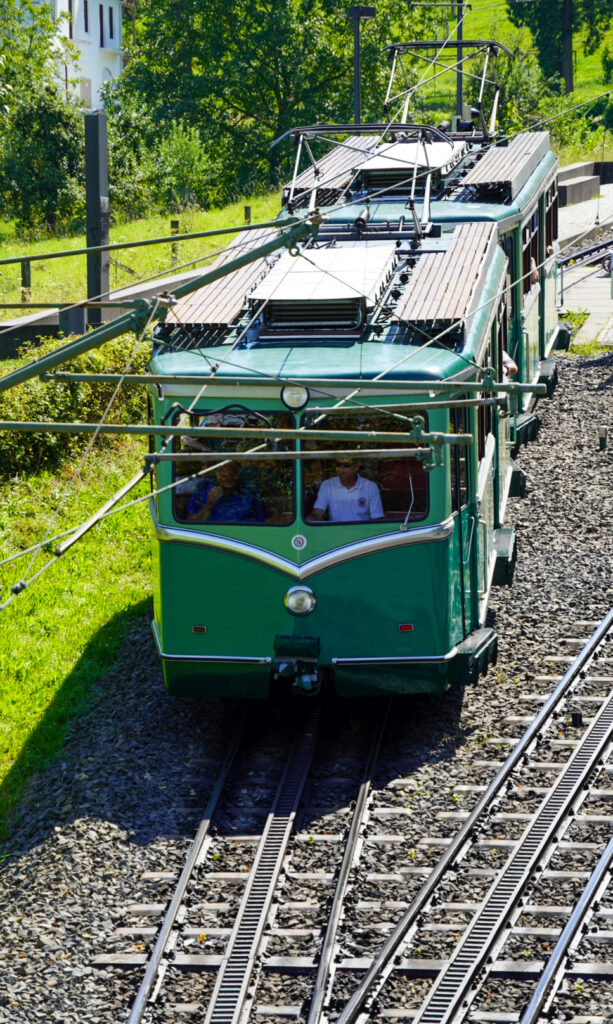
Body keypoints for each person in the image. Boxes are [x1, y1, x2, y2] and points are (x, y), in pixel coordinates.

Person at [187, 460, 264, 523]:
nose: (227, 479)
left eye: (231, 474)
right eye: (223, 475)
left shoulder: (249, 489)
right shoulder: (203, 486)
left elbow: (259, 520)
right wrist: (209, 504)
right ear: (216, 472)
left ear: (237, 474)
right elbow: (190, 521)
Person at [309, 458, 383, 522]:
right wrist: (307, 522)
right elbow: (317, 513)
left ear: (356, 466)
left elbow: (377, 519)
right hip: (336, 534)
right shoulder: (327, 485)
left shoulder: (371, 487)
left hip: (362, 534)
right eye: (338, 464)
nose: (340, 469)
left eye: (346, 465)